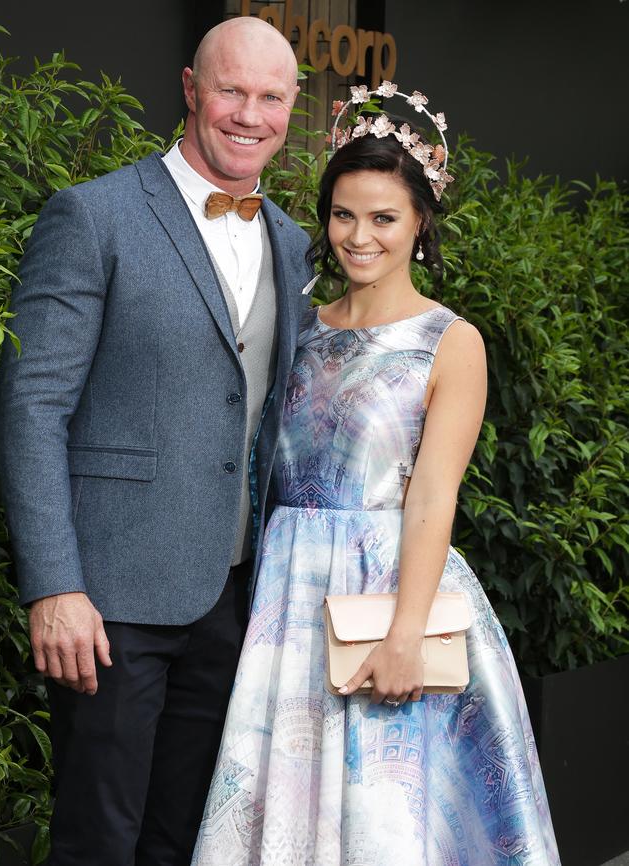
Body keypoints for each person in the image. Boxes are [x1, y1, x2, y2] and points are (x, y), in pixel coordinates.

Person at [192, 87, 561, 864]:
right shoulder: (298, 326)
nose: (360, 237)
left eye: (384, 217)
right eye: (343, 215)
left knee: (386, 825)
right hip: (284, 605)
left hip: (388, 596)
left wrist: (404, 634)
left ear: (420, 222)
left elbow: (433, 494)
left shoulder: (450, 341)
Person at [0, 16, 314, 866]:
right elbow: (32, 407)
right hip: (109, 600)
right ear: (190, 89)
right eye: (232, 90)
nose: (251, 113)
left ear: (292, 108)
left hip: (234, 597)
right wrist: (54, 585)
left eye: (272, 96)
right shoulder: (93, 216)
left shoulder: (293, 242)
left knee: (187, 837)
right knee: (97, 840)